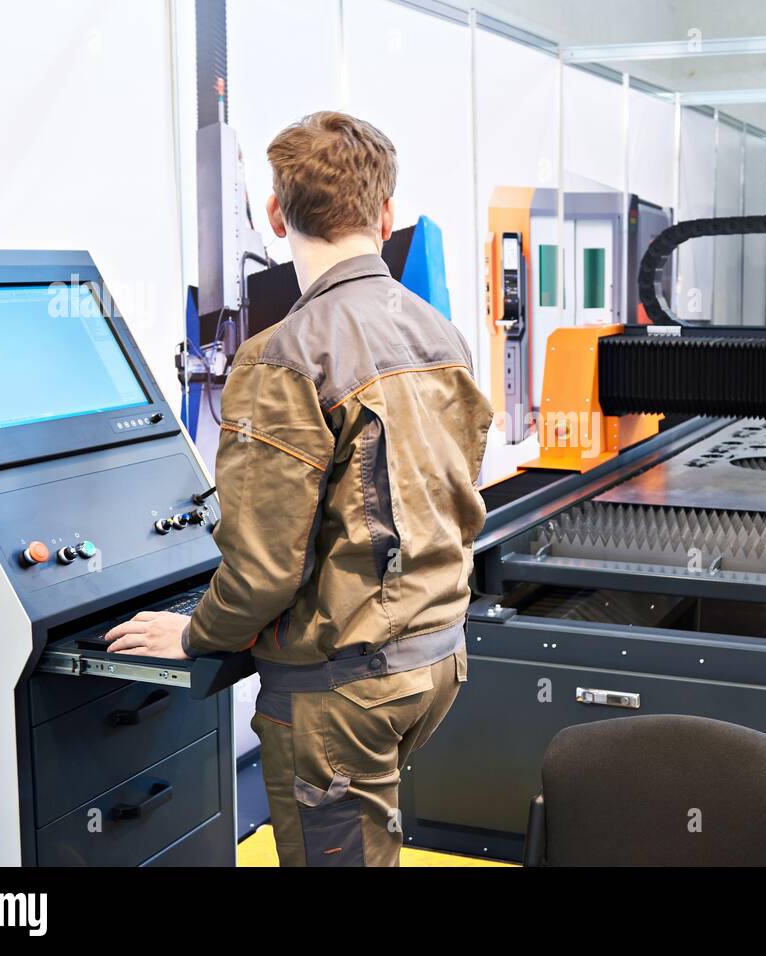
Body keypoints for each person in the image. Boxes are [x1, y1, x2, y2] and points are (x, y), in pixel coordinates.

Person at [105, 111, 492, 867]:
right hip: (437, 658)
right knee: (365, 839)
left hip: (343, 690)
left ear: (277, 215)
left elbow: (263, 569)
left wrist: (193, 634)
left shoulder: (282, 356)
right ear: (386, 215)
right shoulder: (440, 332)